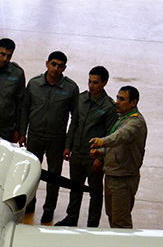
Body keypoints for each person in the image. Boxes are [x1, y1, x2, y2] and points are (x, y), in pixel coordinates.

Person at [20, 51, 78, 224]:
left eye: (60, 66)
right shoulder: (34, 84)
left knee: (54, 176)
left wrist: (68, 144)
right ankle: (29, 204)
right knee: (31, 173)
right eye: (53, 64)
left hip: (57, 139)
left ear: (64, 68)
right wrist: (23, 133)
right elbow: (24, 109)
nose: (56, 68)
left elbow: (75, 119)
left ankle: (49, 209)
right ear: (46, 64)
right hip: (35, 136)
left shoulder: (70, 89)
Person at [55, 66, 117, 227]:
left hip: (93, 157)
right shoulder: (81, 99)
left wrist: (101, 158)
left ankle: (92, 223)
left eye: (95, 82)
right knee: (75, 188)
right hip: (77, 153)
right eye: (90, 81)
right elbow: (74, 124)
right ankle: (71, 217)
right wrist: (68, 146)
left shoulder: (109, 107)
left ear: (104, 83)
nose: (91, 85)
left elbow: (109, 136)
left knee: (95, 192)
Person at [90, 86, 147, 229]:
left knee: (121, 222)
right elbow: (117, 146)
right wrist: (101, 152)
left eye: (122, 99)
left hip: (123, 179)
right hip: (112, 175)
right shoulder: (123, 118)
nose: (117, 102)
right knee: (113, 217)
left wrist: (103, 141)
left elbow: (120, 136)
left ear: (133, 103)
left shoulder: (135, 122)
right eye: (117, 98)